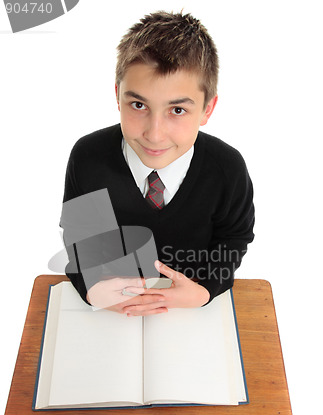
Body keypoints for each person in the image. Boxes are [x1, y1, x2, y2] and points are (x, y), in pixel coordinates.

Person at [61, 11, 255, 316]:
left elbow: (234, 237)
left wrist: (205, 289)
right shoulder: (89, 157)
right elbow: (78, 236)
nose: (154, 134)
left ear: (207, 109)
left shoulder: (227, 169)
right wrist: (92, 287)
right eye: (138, 105)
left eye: (177, 110)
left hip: (190, 308)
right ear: (118, 96)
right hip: (112, 307)